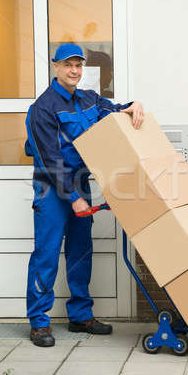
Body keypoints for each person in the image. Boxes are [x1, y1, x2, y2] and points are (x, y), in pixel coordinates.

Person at [24, 43, 144, 347]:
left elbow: (115, 113)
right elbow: (50, 160)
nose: (74, 71)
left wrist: (134, 105)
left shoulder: (90, 100)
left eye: (78, 65)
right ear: (55, 67)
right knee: (47, 255)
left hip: (80, 184)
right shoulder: (43, 108)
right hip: (52, 188)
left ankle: (80, 316)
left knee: (81, 252)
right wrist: (74, 197)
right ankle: (39, 323)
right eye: (68, 65)